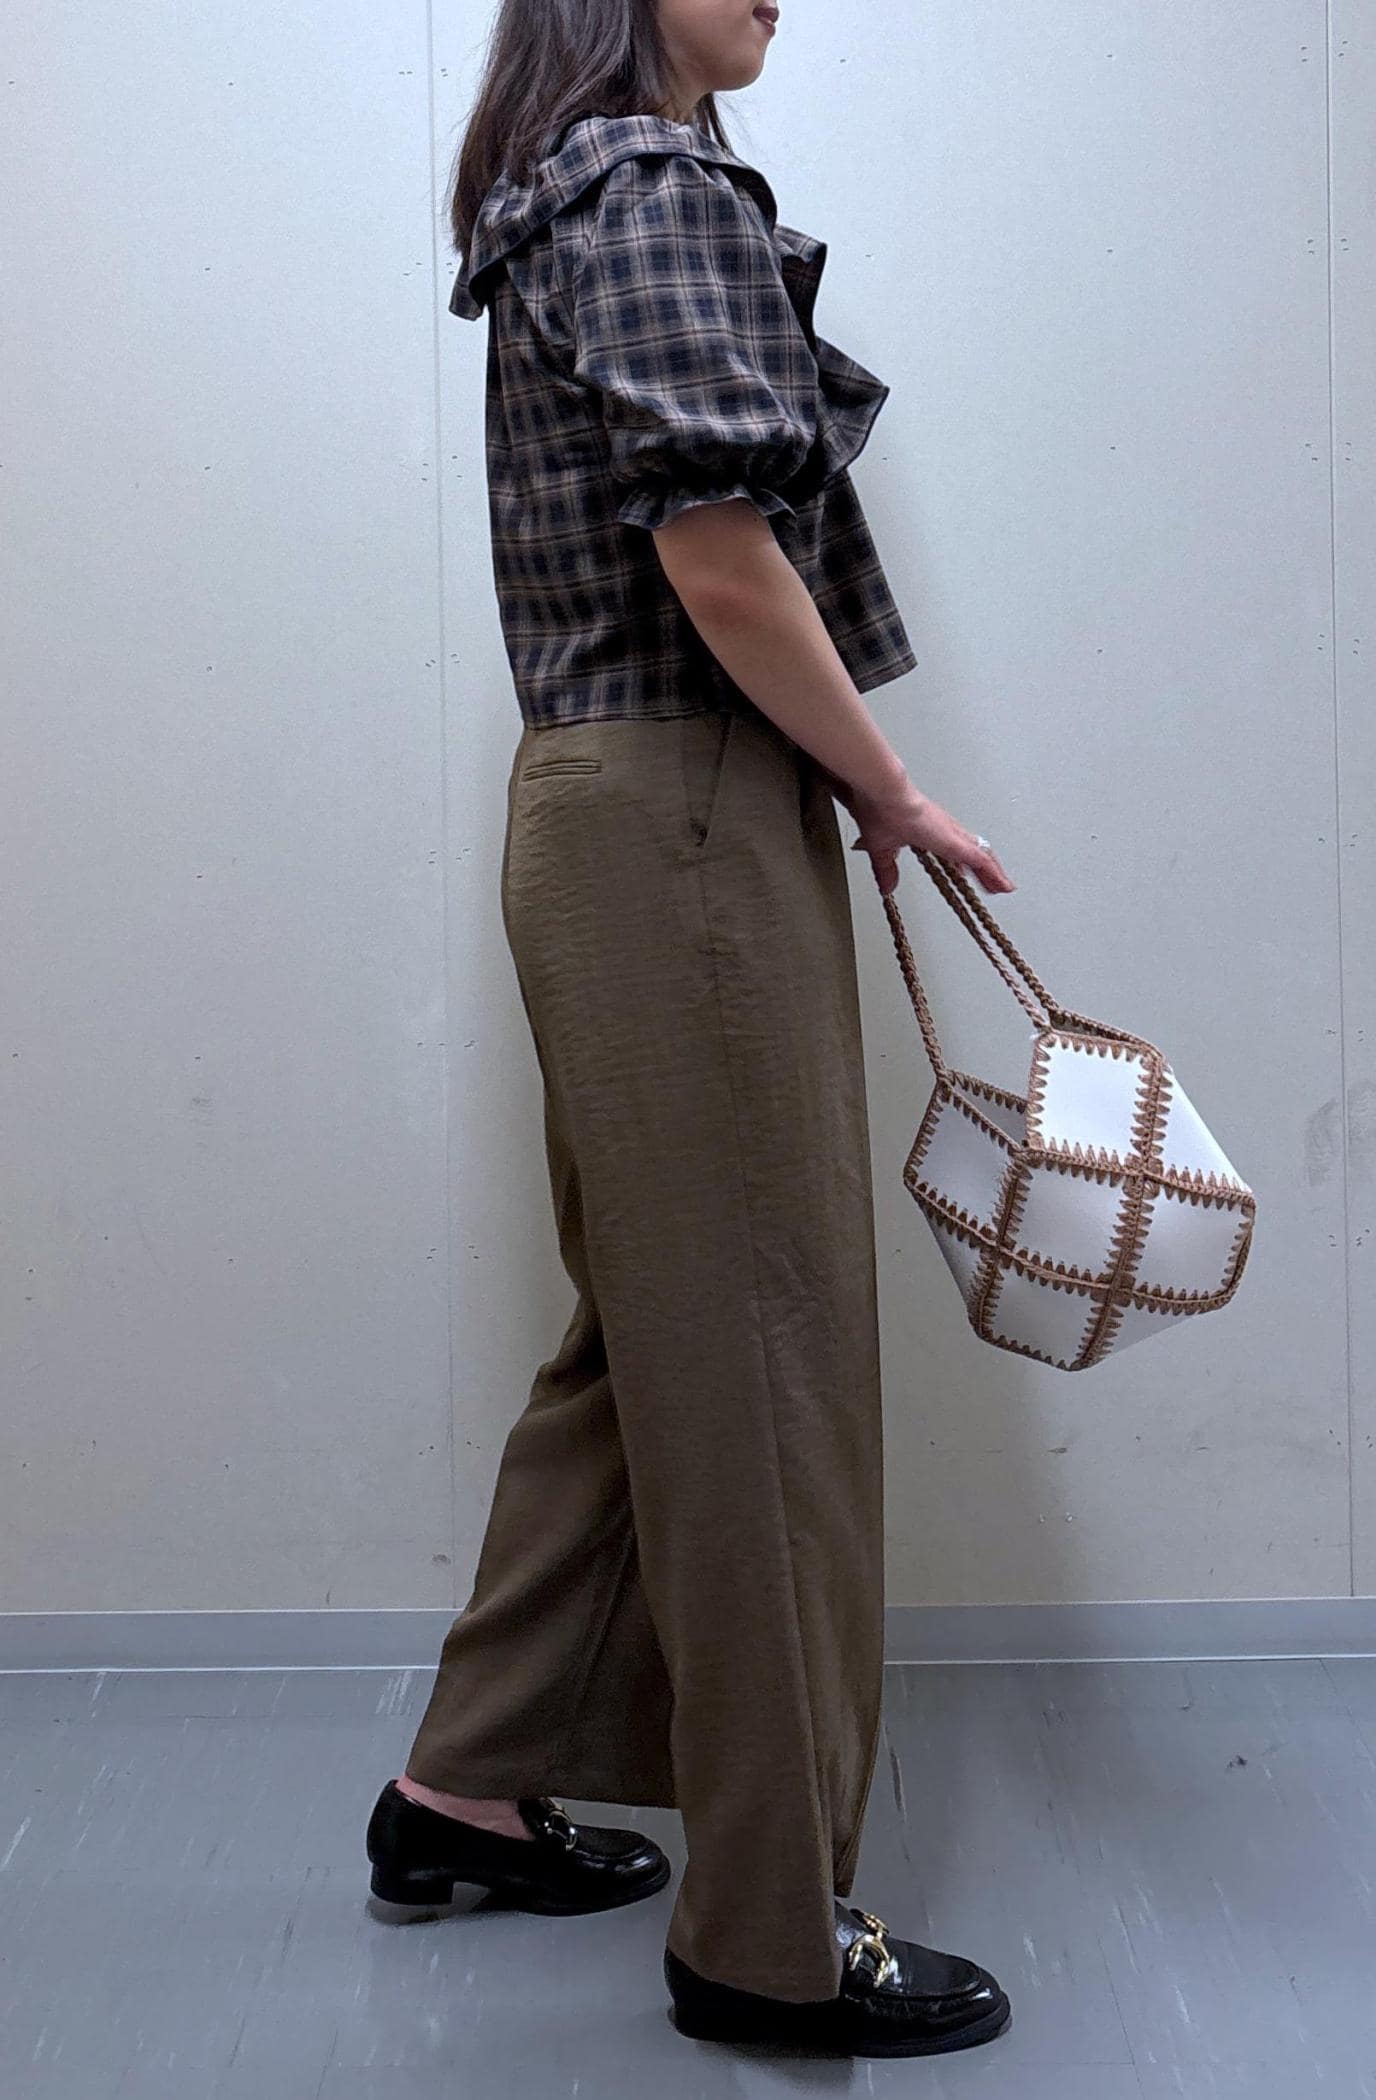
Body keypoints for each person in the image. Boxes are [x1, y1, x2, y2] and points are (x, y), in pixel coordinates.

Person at [363, 0, 1015, 2060]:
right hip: (680, 817)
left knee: (656, 1338)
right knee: (764, 1360)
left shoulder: (584, 188)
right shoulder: (647, 188)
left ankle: (467, 1788)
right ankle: (770, 1938)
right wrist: (890, 792)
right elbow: (721, 558)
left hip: (631, 810)